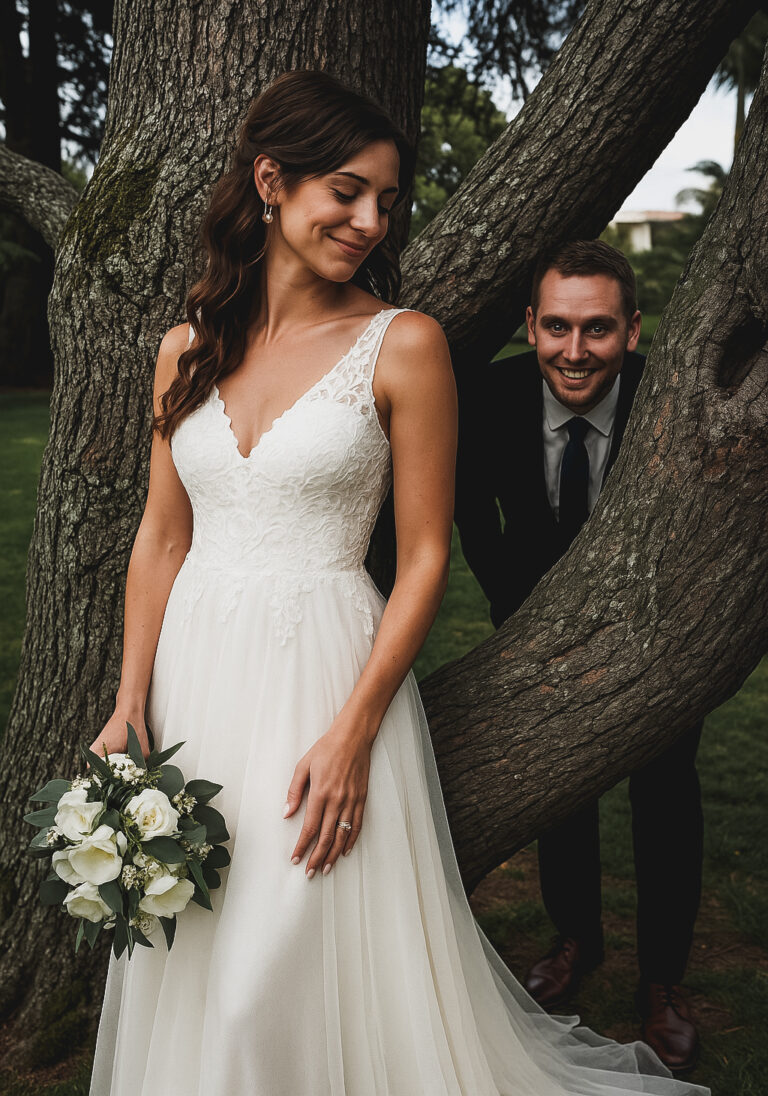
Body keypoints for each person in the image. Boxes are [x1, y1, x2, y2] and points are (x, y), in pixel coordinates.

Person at [87, 74, 708, 1095]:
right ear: (271, 182)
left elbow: (423, 557)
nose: (371, 222)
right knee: (195, 933)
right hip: (196, 674)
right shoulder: (184, 350)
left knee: (270, 963)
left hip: (324, 674)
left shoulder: (403, 343)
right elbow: (160, 539)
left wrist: (354, 729)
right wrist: (127, 702)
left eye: (386, 201)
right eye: (347, 192)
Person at [454, 240, 703, 1076]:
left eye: (597, 328)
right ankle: (575, 939)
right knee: (560, 792)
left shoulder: (669, 397)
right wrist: (515, 615)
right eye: (557, 326)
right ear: (531, 325)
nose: (574, 349)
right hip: (536, 637)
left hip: (660, 641)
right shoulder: (488, 395)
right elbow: (472, 515)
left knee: (667, 798)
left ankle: (663, 980)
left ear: (632, 330)